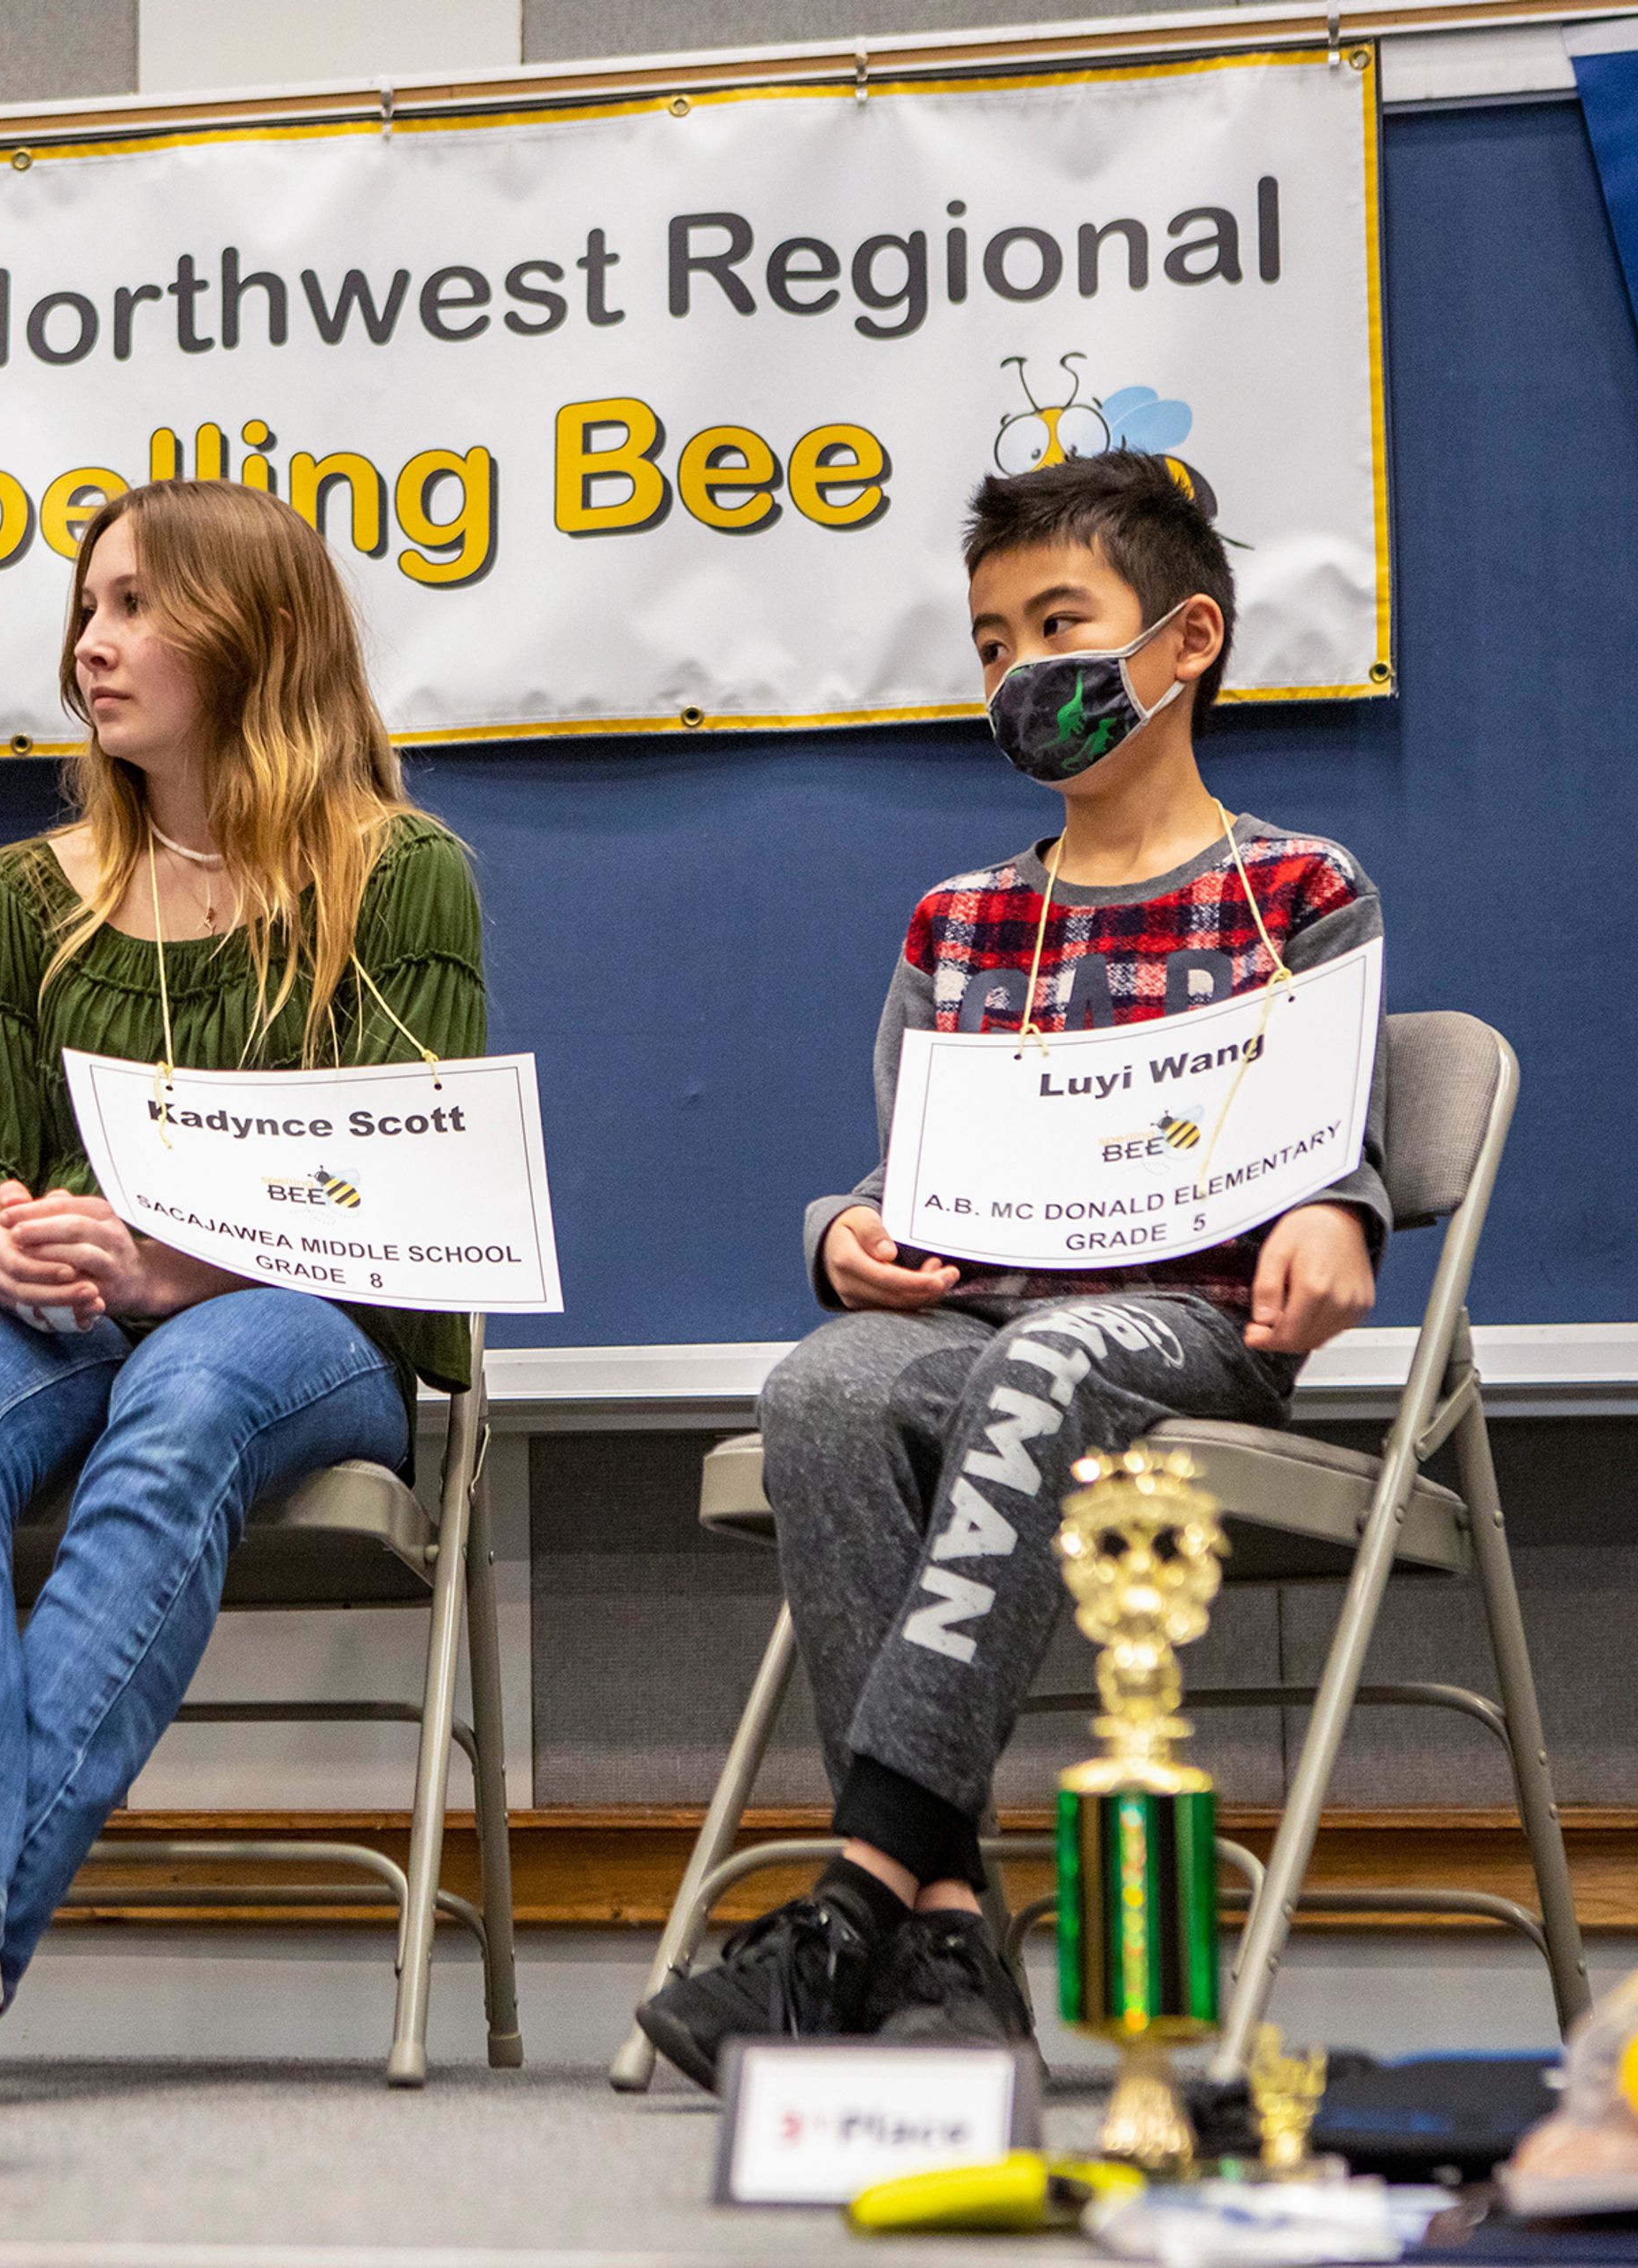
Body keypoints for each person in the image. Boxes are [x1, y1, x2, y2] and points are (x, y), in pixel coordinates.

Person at [636, 451, 1392, 2092]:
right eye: (989, 639)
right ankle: (951, 1926)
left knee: (1044, 1367)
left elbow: (1333, 1143)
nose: (1016, 669)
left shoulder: (1300, 891)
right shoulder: (959, 922)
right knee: (822, 1381)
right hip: (980, 1314)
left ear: (1184, 640)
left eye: (1060, 621)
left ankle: (847, 1898)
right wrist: (841, 1233)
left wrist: (1344, 1218)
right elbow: (915, 1171)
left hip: (1184, 1324)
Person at [0, 480, 485, 2036]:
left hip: (311, 1329)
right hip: (72, 1306)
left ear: (255, 631)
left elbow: (424, 1248)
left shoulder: (401, 875)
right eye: (86, 607)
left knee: (187, 1389)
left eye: (135, 606)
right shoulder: (14, 897)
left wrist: (175, 1265)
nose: (92, 644)